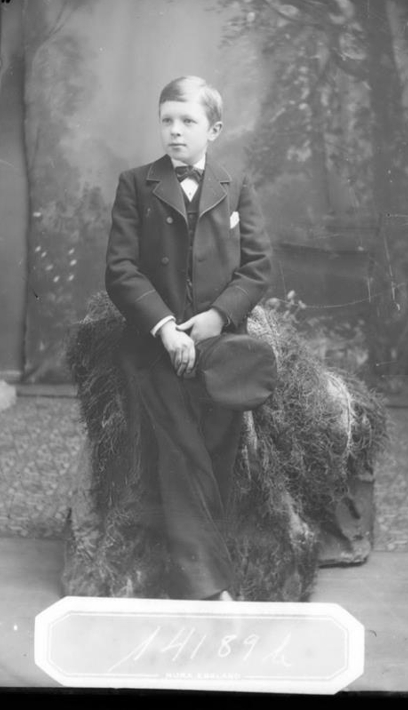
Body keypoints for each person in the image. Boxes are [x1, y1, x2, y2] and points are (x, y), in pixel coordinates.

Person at [104, 76, 273, 601]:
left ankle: (206, 573)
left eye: (187, 121)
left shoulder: (235, 185)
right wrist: (164, 328)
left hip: (221, 344)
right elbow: (121, 269)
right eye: (167, 121)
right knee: (181, 448)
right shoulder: (137, 184)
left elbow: (257, 268)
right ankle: (209, 588)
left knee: (218, 445)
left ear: (213, 130)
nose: (174, 131)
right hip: (156, 345)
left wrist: (219, 317)